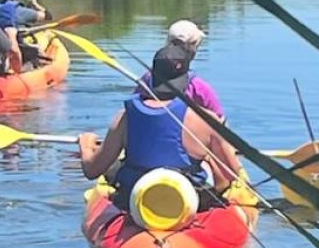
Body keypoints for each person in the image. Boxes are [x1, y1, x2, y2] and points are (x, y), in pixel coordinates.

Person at [80, 44, 244, 211]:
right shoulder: (206, 120)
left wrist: (85, 146)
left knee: (115, 171)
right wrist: (212, 154)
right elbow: (232, 175)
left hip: (134, 202)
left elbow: (92, 171)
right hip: (186, 204)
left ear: (152, 77)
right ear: (186, 80)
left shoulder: (124, 117)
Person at [135, 19, 225, 120]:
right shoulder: (199, 88)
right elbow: (221, 123)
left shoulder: (147, 80)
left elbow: (132, 111)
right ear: (193, 49)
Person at [0, 0, 49, 72]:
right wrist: (35, 4)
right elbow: (47, 16)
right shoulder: (21, 11)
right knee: (38, 53)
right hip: (16, 49)